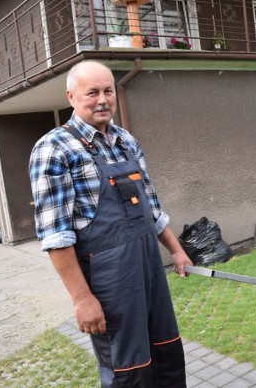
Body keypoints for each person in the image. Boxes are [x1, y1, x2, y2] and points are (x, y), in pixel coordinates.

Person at [29, 60, 192, 387]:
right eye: (92, 93)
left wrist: (177, 250)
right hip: (108, 283)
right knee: (127, 369)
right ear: (71, 96)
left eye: (108, 91)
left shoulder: (126, 141)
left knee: (166, 353)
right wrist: (82, 300)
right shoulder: (54, 148)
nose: (102, 99)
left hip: (148, 272)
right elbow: (56, 237)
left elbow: (152, 210)